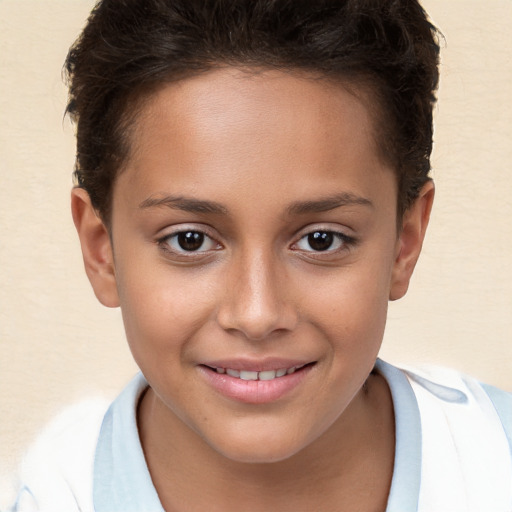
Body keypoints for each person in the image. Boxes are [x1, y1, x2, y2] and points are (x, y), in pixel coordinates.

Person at [10, 0, 512, 511]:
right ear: (103, 252)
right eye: (190, 240)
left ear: (405, 241)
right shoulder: (46, 495)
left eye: (322, 239)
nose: (257, 314)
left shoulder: (496, 460)